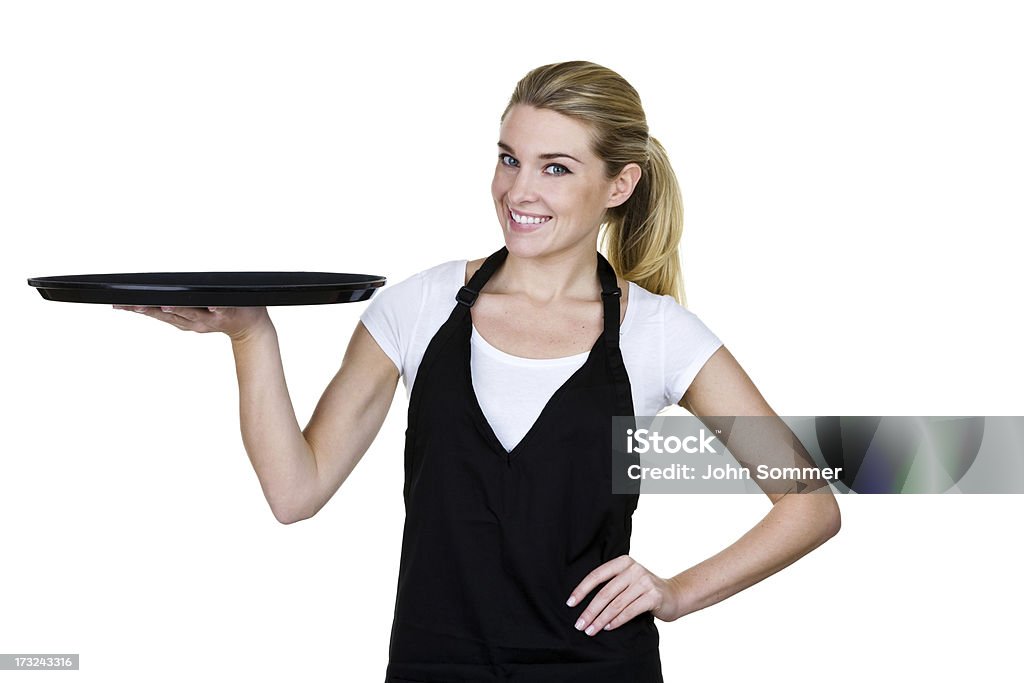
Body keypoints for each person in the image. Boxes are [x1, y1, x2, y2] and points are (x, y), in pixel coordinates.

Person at [115, 60, 841, 682]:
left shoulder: (657, 334)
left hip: (595, 667)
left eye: (556, 167)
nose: (518, 190)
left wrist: (677, 591)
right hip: (436, 661)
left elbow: (809, 501)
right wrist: (251, 333)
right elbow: (293, 491)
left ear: (619, 185)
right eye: (508, 157)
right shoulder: (419, 306)